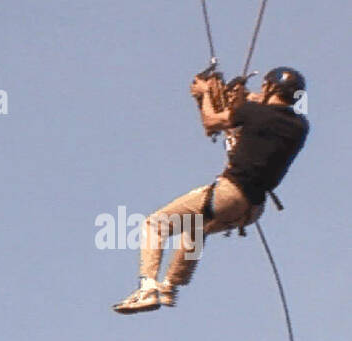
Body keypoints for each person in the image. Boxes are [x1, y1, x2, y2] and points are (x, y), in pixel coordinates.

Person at [112, 67, 309, 314]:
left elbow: (211, 123)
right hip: (253, 209)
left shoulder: (254, 113)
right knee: (196, 227)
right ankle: (170, 285)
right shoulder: (299, 126)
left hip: (229, 194)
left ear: (269, 87)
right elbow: (266, 113)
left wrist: (205, 94)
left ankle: (148, 288)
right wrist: (242, 96)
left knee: (155, 224)